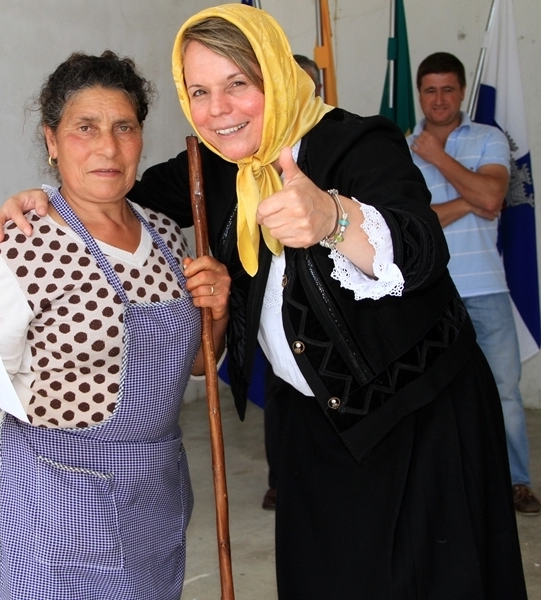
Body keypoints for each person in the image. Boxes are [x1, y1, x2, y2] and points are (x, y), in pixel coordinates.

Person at [0, 5, 527, 598]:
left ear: (276, 75)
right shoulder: (214, 164)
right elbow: (111, 185)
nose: (218, 109)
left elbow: (420, 249)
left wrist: (334, 217)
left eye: (238, 83)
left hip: (419, 418)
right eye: (200, 92)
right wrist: (41, 198)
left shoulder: (357, 142)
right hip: (312, 425)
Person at [0, 50, 230, 600]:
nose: (107, 147)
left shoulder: (168, 237)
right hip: (59, 504)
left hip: (155, 494)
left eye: (124, 127)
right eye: (84, 128)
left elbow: (195, 365)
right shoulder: (19, 247)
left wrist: (218, 310)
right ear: (51, 140)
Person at [407, 51, 540, 516]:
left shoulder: (488, 137)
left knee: (503, 391)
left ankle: (515, 483)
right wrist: (474, 200)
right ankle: (444, 488)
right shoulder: (400, 149)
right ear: (419, 94)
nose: (439, 99)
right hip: (428, 291)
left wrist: (438, 157)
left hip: (487, 288)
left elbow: (494, 194)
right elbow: (412, 224)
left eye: (448, 89)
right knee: (430, 396)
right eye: (430, 90)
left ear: (462, 91)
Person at [261, 53, 323, 511]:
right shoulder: (240, 153)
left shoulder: (343, 145)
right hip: (275, 320)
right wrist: (54, 197)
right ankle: (280, 479)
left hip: (331, 324)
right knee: (282, 400)